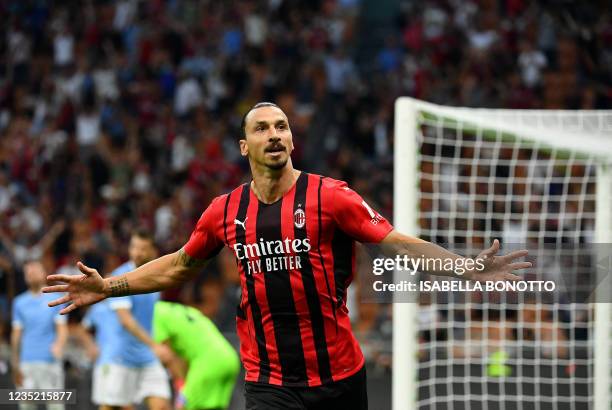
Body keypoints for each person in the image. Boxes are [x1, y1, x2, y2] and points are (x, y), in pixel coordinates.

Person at [43, 102, 531, 410]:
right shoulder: (224, 212)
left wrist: (466, 267)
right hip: (268, 379)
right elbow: (178, 266)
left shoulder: (332, 197)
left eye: (281, 126)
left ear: (292, 140)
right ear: (244, 145)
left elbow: (399, 243)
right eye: (261, 128)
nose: (274, 134)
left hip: (340, 374)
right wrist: (108, 287)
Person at [98, 230, 171, 410]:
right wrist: (154, 345)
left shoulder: (156, 277)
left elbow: (153, 319)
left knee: (161, 406)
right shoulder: (119, 278)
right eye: (134, 247)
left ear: (154, 252)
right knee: (111, 407)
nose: (137, 252)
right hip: (123, 357)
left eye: (143, 249)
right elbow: (126, 320)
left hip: (148, 358)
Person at [151, 301, 240, 410]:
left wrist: (181, 385)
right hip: (230, 358)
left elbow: (167, 356)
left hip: (208, 363)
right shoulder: (179, 309)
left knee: (184, 407)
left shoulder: (155, 313)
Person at [11, 260, 68, 410]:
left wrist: (59, 345)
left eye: (34, 270)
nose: (31, 274)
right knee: (26, 407)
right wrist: (15, 365)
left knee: (55, 406)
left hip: (50, 361)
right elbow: (16, 335)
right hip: (26, 363)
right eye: (27, 272)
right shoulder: (19, 303)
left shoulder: (56, 298)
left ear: (43, 273)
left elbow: (62, 328)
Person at [72, 298, 133, 410]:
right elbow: (81, 331)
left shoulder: (130, 305)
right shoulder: (99, 308)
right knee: (110, 403)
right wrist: (91, 347)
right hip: (108, 362)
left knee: (123, 403)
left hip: (129, 361)